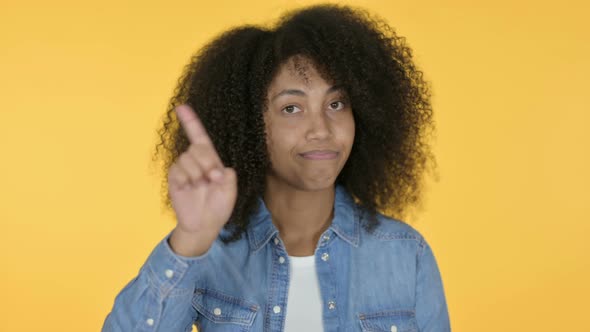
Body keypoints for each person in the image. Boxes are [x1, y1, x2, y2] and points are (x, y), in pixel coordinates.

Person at [102, 3, 450, 332]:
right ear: (249, 124)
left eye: (336, 103)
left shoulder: (406, 253)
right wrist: (189, 241)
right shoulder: (210, 251)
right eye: (292, 108)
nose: (321, 129)